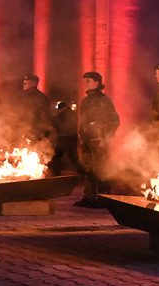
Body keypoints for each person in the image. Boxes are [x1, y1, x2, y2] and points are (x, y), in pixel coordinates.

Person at [74, 71, 119, 207]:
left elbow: (114, 121)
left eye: (88, 81)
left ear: (97, 83)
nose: (85, 84)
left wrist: (103, 135)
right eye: (85, 81)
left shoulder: (103, 100)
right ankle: (89, 196)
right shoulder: (86, 101)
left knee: (101, 169)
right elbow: (82, 122)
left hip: (99, 141)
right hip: (86, 140)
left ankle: (103, 198)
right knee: (88, 169)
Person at [20, 74, 52, 144]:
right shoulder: (43, 97)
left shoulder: (23, 97)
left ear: (33, 83)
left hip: (26, 130)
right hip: (37, 132)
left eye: (25, 83)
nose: (23, 85)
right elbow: (46, 117)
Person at [49, 100, 79, 176]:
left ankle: (55, 173)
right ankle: (82, 173)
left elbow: (56, 124)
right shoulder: (72, 113)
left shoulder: (62, 115)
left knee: (56, 156)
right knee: (74, 157)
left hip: (64, 138)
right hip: (73, 137)